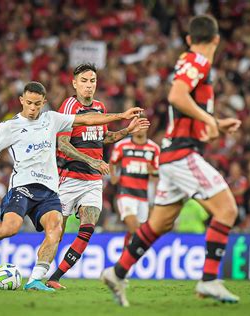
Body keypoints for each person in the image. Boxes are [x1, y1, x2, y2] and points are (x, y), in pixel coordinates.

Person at [0, 81, 147, 292]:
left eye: (37, 104)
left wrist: (121, 116)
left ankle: (35, 280)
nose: (32, 108)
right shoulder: (9, 127)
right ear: (21, 100)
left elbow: (87, 119)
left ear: (44, 103)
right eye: (29, 103)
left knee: (55, 229)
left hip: (48, 190)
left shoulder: (52, 119)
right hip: (22, 187)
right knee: (9, 229)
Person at [101, 15, 242, 307]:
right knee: (226, 210)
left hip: (172, 155)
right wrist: (208, 119)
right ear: (216, 39)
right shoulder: (199, 61)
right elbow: (176, 96)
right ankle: (209, 280)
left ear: (190, 38)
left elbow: (186, 110)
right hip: (181, 155)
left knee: (158, 225)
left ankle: (117, 273)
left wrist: (214, 123)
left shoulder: (189, 61)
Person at [46, 64, 149, 289]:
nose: (89, 85)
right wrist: (91, 160)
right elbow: (62, 144)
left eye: (92, 81)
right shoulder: (68, 106)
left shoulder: (101, 107)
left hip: (93, 181)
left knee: (88, 228)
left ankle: (55, 278)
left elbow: (104, 138)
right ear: (74, 83)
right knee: (57, 233)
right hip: (69, 178)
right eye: (84, 80)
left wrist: (126, 132)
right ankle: (37, 275)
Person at [109, 129, 160, 248]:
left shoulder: (154, 148)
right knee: (134, 226)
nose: (139, 129)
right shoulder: (122, 145)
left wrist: (152, 171)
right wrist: (113, 176)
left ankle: (125, 256)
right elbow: (112, 162)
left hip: (143, 196)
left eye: (141, 125)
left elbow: (157, 172)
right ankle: (128, 257)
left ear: (147, 127)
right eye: (136, 125)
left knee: (137, 232)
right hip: (125, 194)